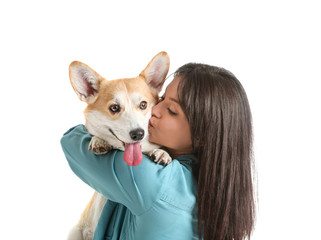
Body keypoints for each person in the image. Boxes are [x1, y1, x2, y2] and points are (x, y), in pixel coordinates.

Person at [61, 63, 256, 240]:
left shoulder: (148, 178)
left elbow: (71, 142)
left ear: (202, 136)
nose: (153, 110)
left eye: (171, 110)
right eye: (160, 98)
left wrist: (103, 135)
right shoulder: (208, 183)